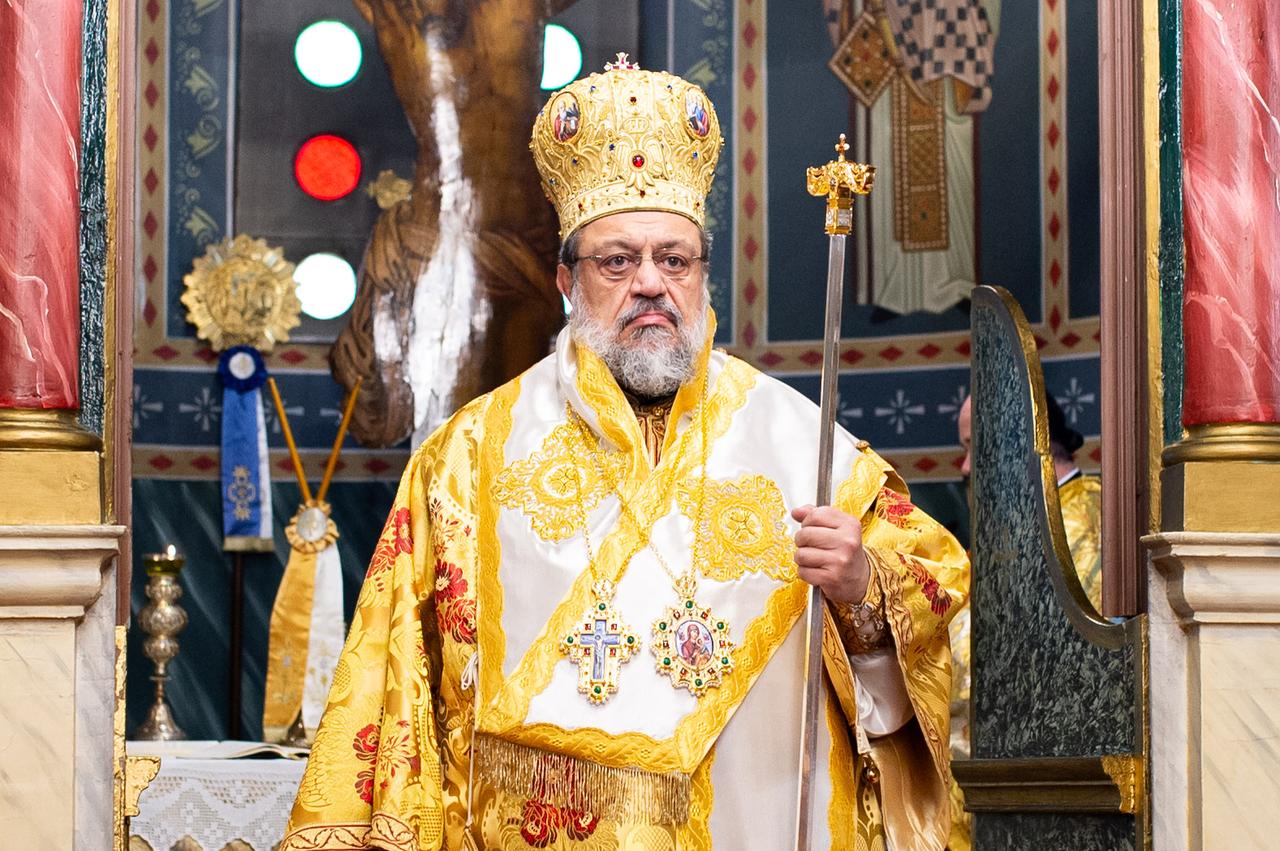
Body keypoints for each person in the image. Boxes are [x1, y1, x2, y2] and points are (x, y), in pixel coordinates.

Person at [282, 57, 968, 851]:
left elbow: (940, 620)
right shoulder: (468, 458)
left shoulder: (804, 446)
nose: (650, 283)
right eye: (618, 260)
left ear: (701, 275)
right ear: (567, 280)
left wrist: (862, 586)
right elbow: (397, 690)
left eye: (674, 259)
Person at [957, 393, 1102, 610]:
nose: (965, 467)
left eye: (976, 447)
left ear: (1022, 442)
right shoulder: (1028, 520)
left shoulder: (1078, 523)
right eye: (965, 450)